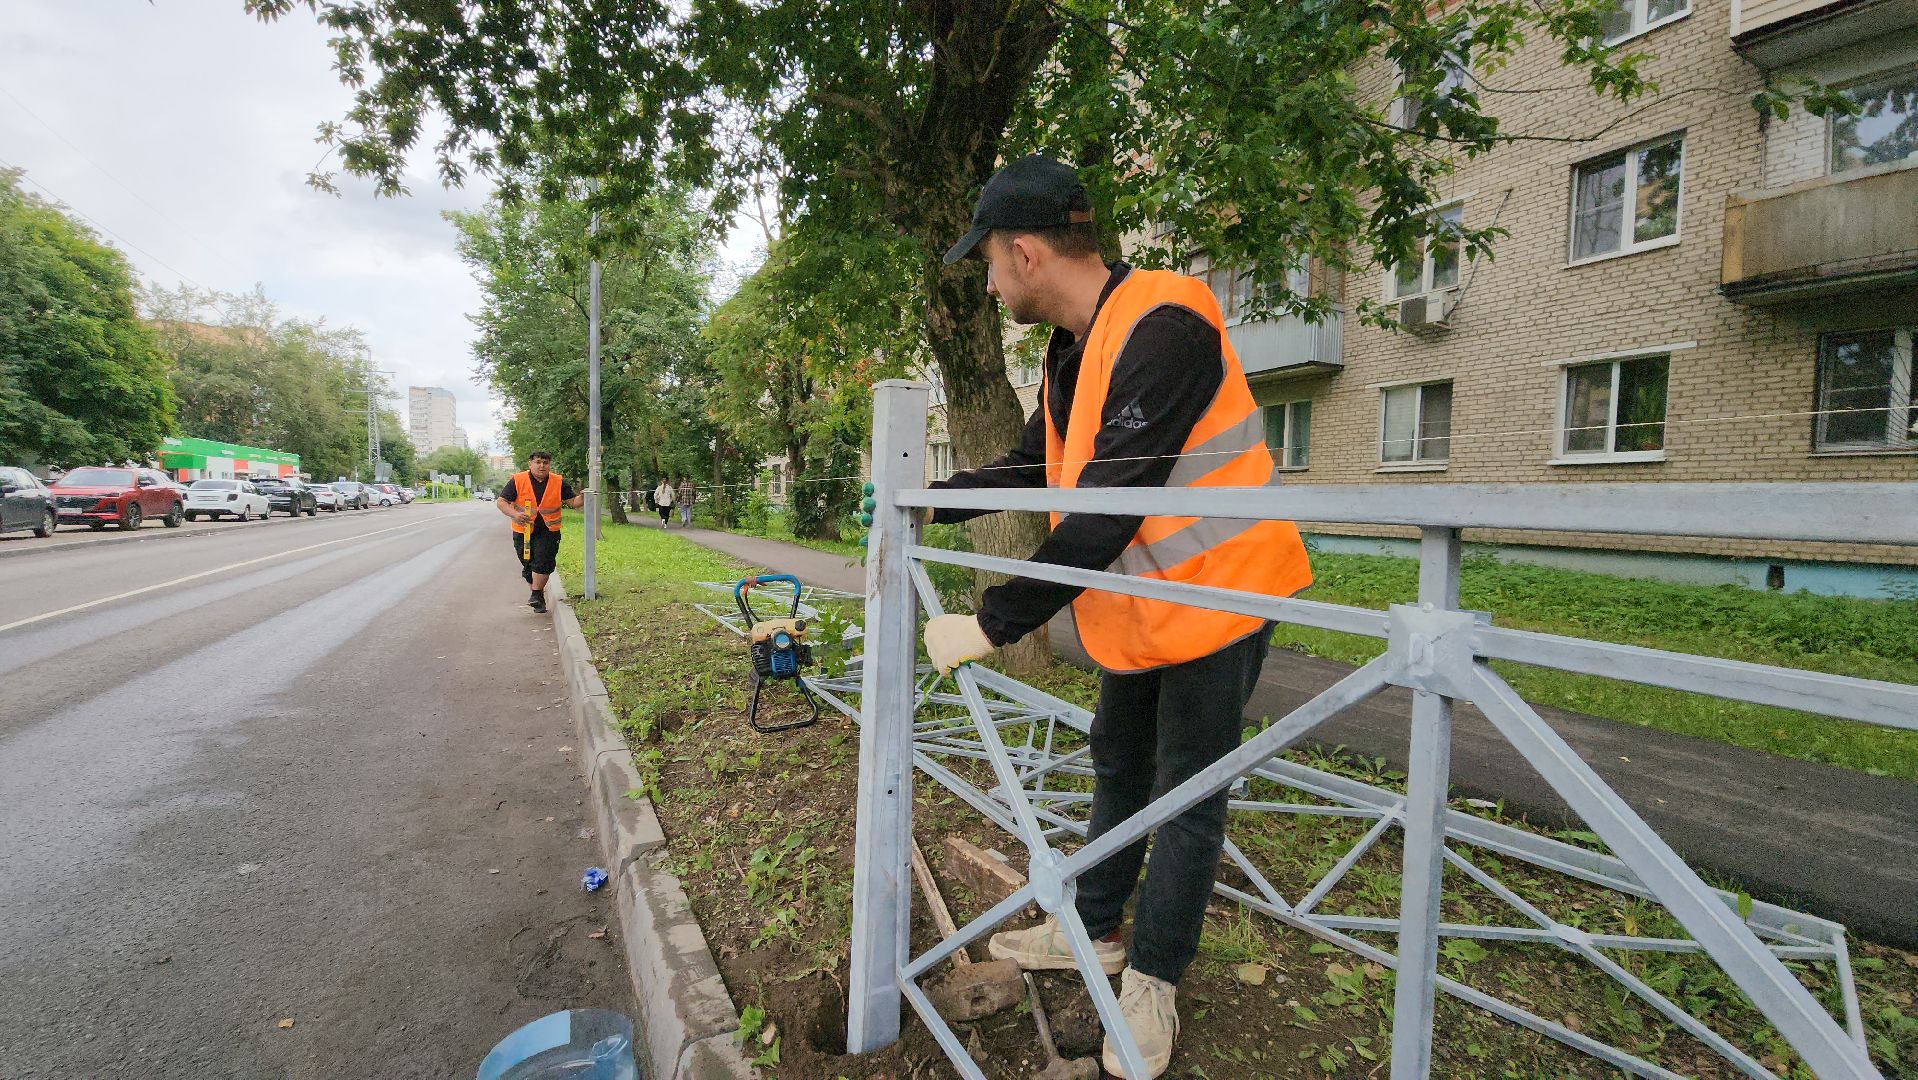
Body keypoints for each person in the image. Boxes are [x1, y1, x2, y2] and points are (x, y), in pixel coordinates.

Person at [921, 155, 1313, 1079]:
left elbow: (1109, 506)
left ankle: (1153, 981)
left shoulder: (1166, 323)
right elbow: (1035, 470)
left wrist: (994, 622)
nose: (987, 285)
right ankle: (1092, 929)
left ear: (1025, 253)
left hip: (1222, 596)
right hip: (1150, 608)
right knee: (1118, 765)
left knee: (1185, 798)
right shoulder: (1071, 351)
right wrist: (927, 500)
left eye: (987, 264)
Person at [495, 451, 584, 613]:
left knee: (542, 561)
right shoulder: (518, 480)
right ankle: (538, 598)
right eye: (538, 462)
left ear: (549, 465)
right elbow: (501, 502)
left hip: (548, 531)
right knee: (528, 565)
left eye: (545, 462)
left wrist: (584, 497)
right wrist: (515, 514)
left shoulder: (558, 481)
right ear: (530, 464)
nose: (542, 466)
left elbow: (573, 502)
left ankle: (536, 594)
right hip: (523, 530)